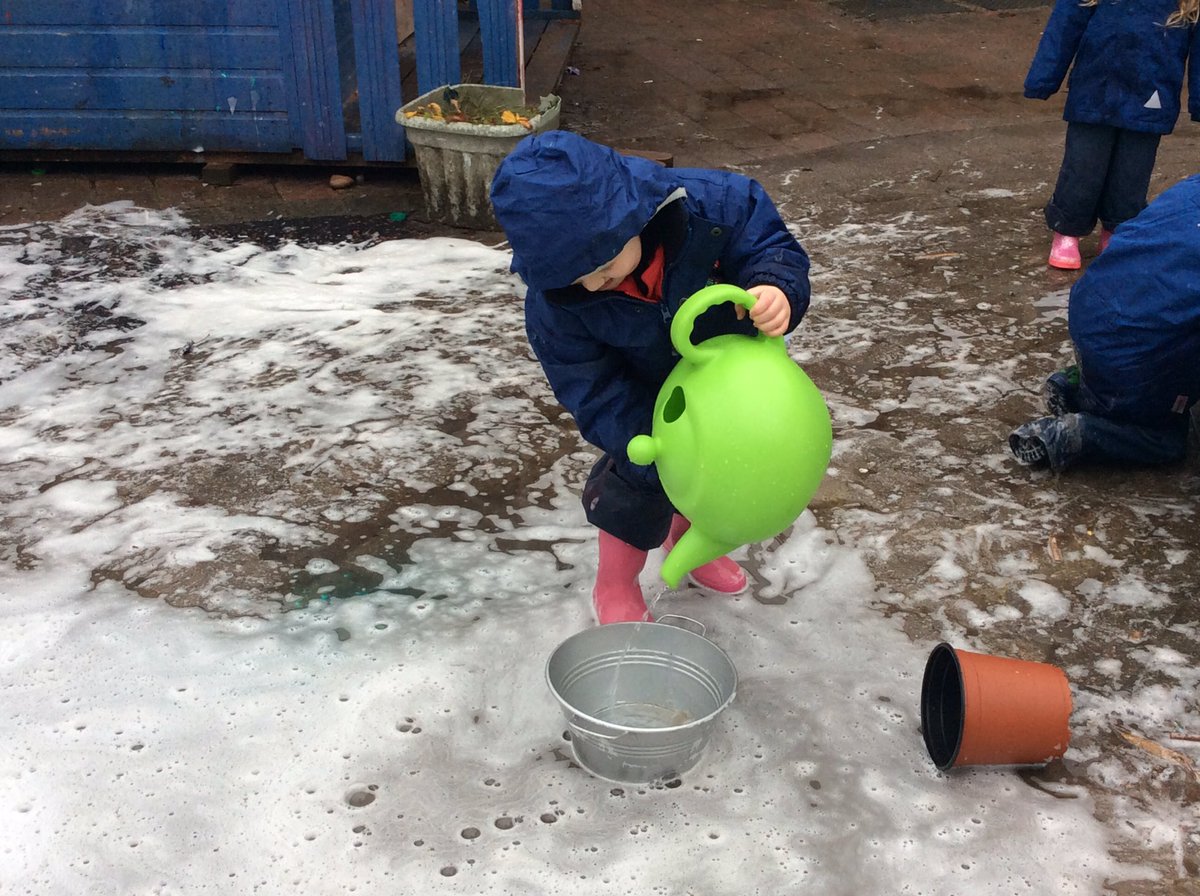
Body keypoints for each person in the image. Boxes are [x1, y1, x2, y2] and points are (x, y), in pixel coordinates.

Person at [489, 130, 811, 625]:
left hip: (726, 385)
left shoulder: (718, 208)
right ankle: (616, 583)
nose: (594, 283)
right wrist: (645, 437)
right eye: (576, 278)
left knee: (719, 475)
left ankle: (690, 542)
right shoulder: (557, 304)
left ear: (632, 218)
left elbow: (769, 246)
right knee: (636, 487)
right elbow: (585, 382)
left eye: (602, 265)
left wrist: (775, 286)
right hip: (639, 396)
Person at [1008, 172, 1200, 471]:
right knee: (1169, 441)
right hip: (1132, 352)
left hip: (1093, 312)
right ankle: (1077, 434)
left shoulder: (1193, 185)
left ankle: (1077, 386)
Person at [1024, 0, 1200, 270]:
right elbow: (1063, 27)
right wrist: (1043, 77)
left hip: (1151, 95)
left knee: (1133, 172)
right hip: (1094, 91)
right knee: (1083, 166)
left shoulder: (1187, 4)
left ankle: (1118, 230)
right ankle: (1067, 229)